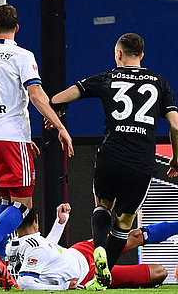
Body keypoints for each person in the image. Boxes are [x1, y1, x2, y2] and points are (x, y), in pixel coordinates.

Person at [48, 32, 178, 288]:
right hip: (141, 162)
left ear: (118, 53)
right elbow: (175, 125)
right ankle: (102, 277)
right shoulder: (159, 83)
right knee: (125, 222)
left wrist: (59, 108)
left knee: (102, 207)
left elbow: (57, 98)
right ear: (142, 55)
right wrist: (176, 158)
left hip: (111, 156)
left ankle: (98, 250)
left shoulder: (107, 78)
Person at [0, 4, 74, 289]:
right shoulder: (22, 55)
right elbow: (35, 94)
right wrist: (60, 127)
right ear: (17, 28)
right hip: (9, 137)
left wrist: (25, 142)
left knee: (7, 201)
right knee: (23, 206)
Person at [8, 203, 174, 290]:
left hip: (81, 251)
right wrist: (63, 287)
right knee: (159, 272)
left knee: (135, 236)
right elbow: (25, 283)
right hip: (89, 277)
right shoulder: (32, 248)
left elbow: (46, 250)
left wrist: (60, 222)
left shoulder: (26, 245)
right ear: (36, 218)